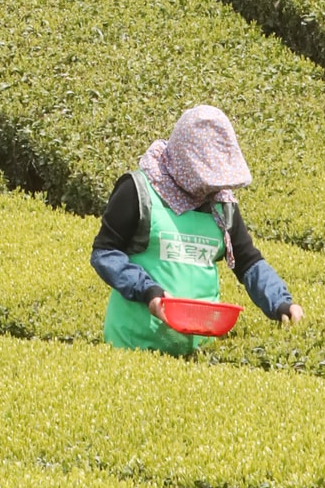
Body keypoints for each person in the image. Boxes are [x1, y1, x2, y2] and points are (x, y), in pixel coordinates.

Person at [92, 104, 304, 354]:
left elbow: (248, 262)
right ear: (184, 162)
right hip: (133, 346)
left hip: (200, 348)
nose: (211, 190)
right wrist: (148, 291)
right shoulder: (138, 192)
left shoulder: (222, 204)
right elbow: (105, 253)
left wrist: (280, 302)